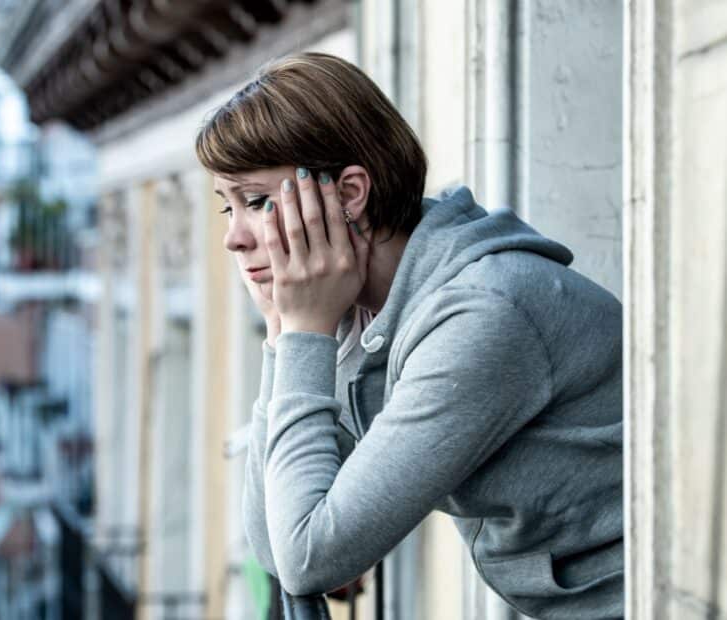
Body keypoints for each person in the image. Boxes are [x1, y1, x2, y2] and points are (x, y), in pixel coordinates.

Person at [195, 52, 623, 619]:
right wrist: (281, 335)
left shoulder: (483, 312)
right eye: (227, 208)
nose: (234, 238)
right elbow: (275, 548)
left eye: (255, 202)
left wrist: (302, 332)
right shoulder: (362, 311)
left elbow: (310, 558)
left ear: (349, 194)